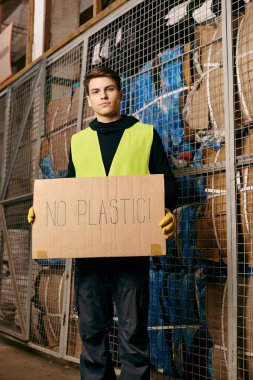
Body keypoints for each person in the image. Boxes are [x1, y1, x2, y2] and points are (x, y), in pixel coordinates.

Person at [28, 66, 177, 380]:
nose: (103, 96)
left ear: (120, 93)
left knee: (133, 330)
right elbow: (70, 189)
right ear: (89, 99)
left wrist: (167, 211)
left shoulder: (145, 134)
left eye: (109, 89)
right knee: (92, 329)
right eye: (96, 92)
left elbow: (167, 184)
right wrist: (43, 211)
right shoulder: (79, 141)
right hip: (90, 256)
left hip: (130, 253)